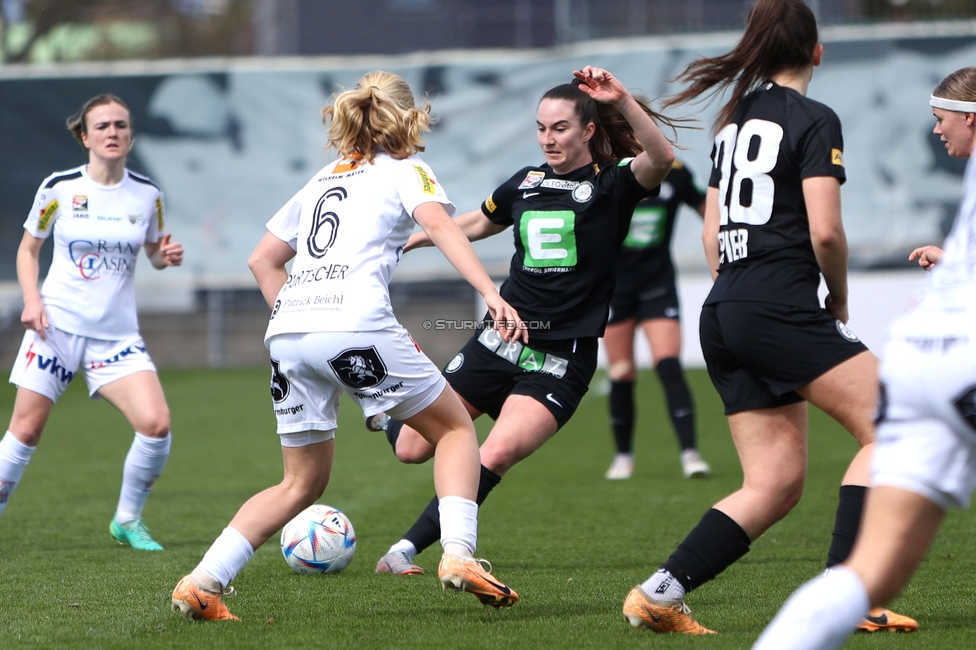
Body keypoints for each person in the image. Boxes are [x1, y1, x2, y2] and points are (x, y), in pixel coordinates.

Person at [170, 71, 525, 621]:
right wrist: (489, 291)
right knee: (456, 429)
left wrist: (302, 320)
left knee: (300, 482)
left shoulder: (319, 180)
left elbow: (262, 260)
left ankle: (202, 582)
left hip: (287, 335)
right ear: (410, 119)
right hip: (355, 325)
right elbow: (445, 227)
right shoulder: (407, 171)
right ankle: (458, 556)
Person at [619, 0, 917, 634]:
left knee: (774, 484)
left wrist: (740, 291)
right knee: (893, 429)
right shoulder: (814, 118)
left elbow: (711, 229)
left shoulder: (731, 124)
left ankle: (659, 593)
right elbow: (828, 233)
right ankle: (849, 597)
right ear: (816, 51)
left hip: (724, 306)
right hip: (778, 304)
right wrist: (836, 299)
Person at [369, 66, 676, 577]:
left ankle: (409, 549)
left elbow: (661, 157)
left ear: (588, 130)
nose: (548, 138)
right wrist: (418, 238)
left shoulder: (613, 183)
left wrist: (620, 97)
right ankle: (384, 413)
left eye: (560, 128)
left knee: (497, 450)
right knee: (411, 448)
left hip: (561, 358)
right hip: (499, 342)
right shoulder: (525, 183)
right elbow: (477, 222)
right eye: (541, 127)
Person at [753, 67, 976, 650]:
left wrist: (952, 262)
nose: (935, 131)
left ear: (971, 118)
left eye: (940, 119)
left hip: (919, 363)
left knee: (870, 572)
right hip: (966, 364)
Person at [0, 94, 182, 552]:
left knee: (157, 424)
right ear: (85, 137)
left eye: (121, 125)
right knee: (25, 430)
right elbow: (28, 250)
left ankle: (126, 521)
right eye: (102, 126)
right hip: (55, 328)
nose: (113, 133)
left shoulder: (147, 194)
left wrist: (165, 256)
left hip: (116, 337)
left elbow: (155, 251)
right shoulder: (59, 188)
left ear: (130, 134)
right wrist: (31, 300)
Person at [603, 160, 710, 480]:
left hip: (657, 284)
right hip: (615, 288)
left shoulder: (674, 172)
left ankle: (690, 454)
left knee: (668, 364)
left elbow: (705, 206)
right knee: (621, 373)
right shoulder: (608, 172)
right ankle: (623, 457)